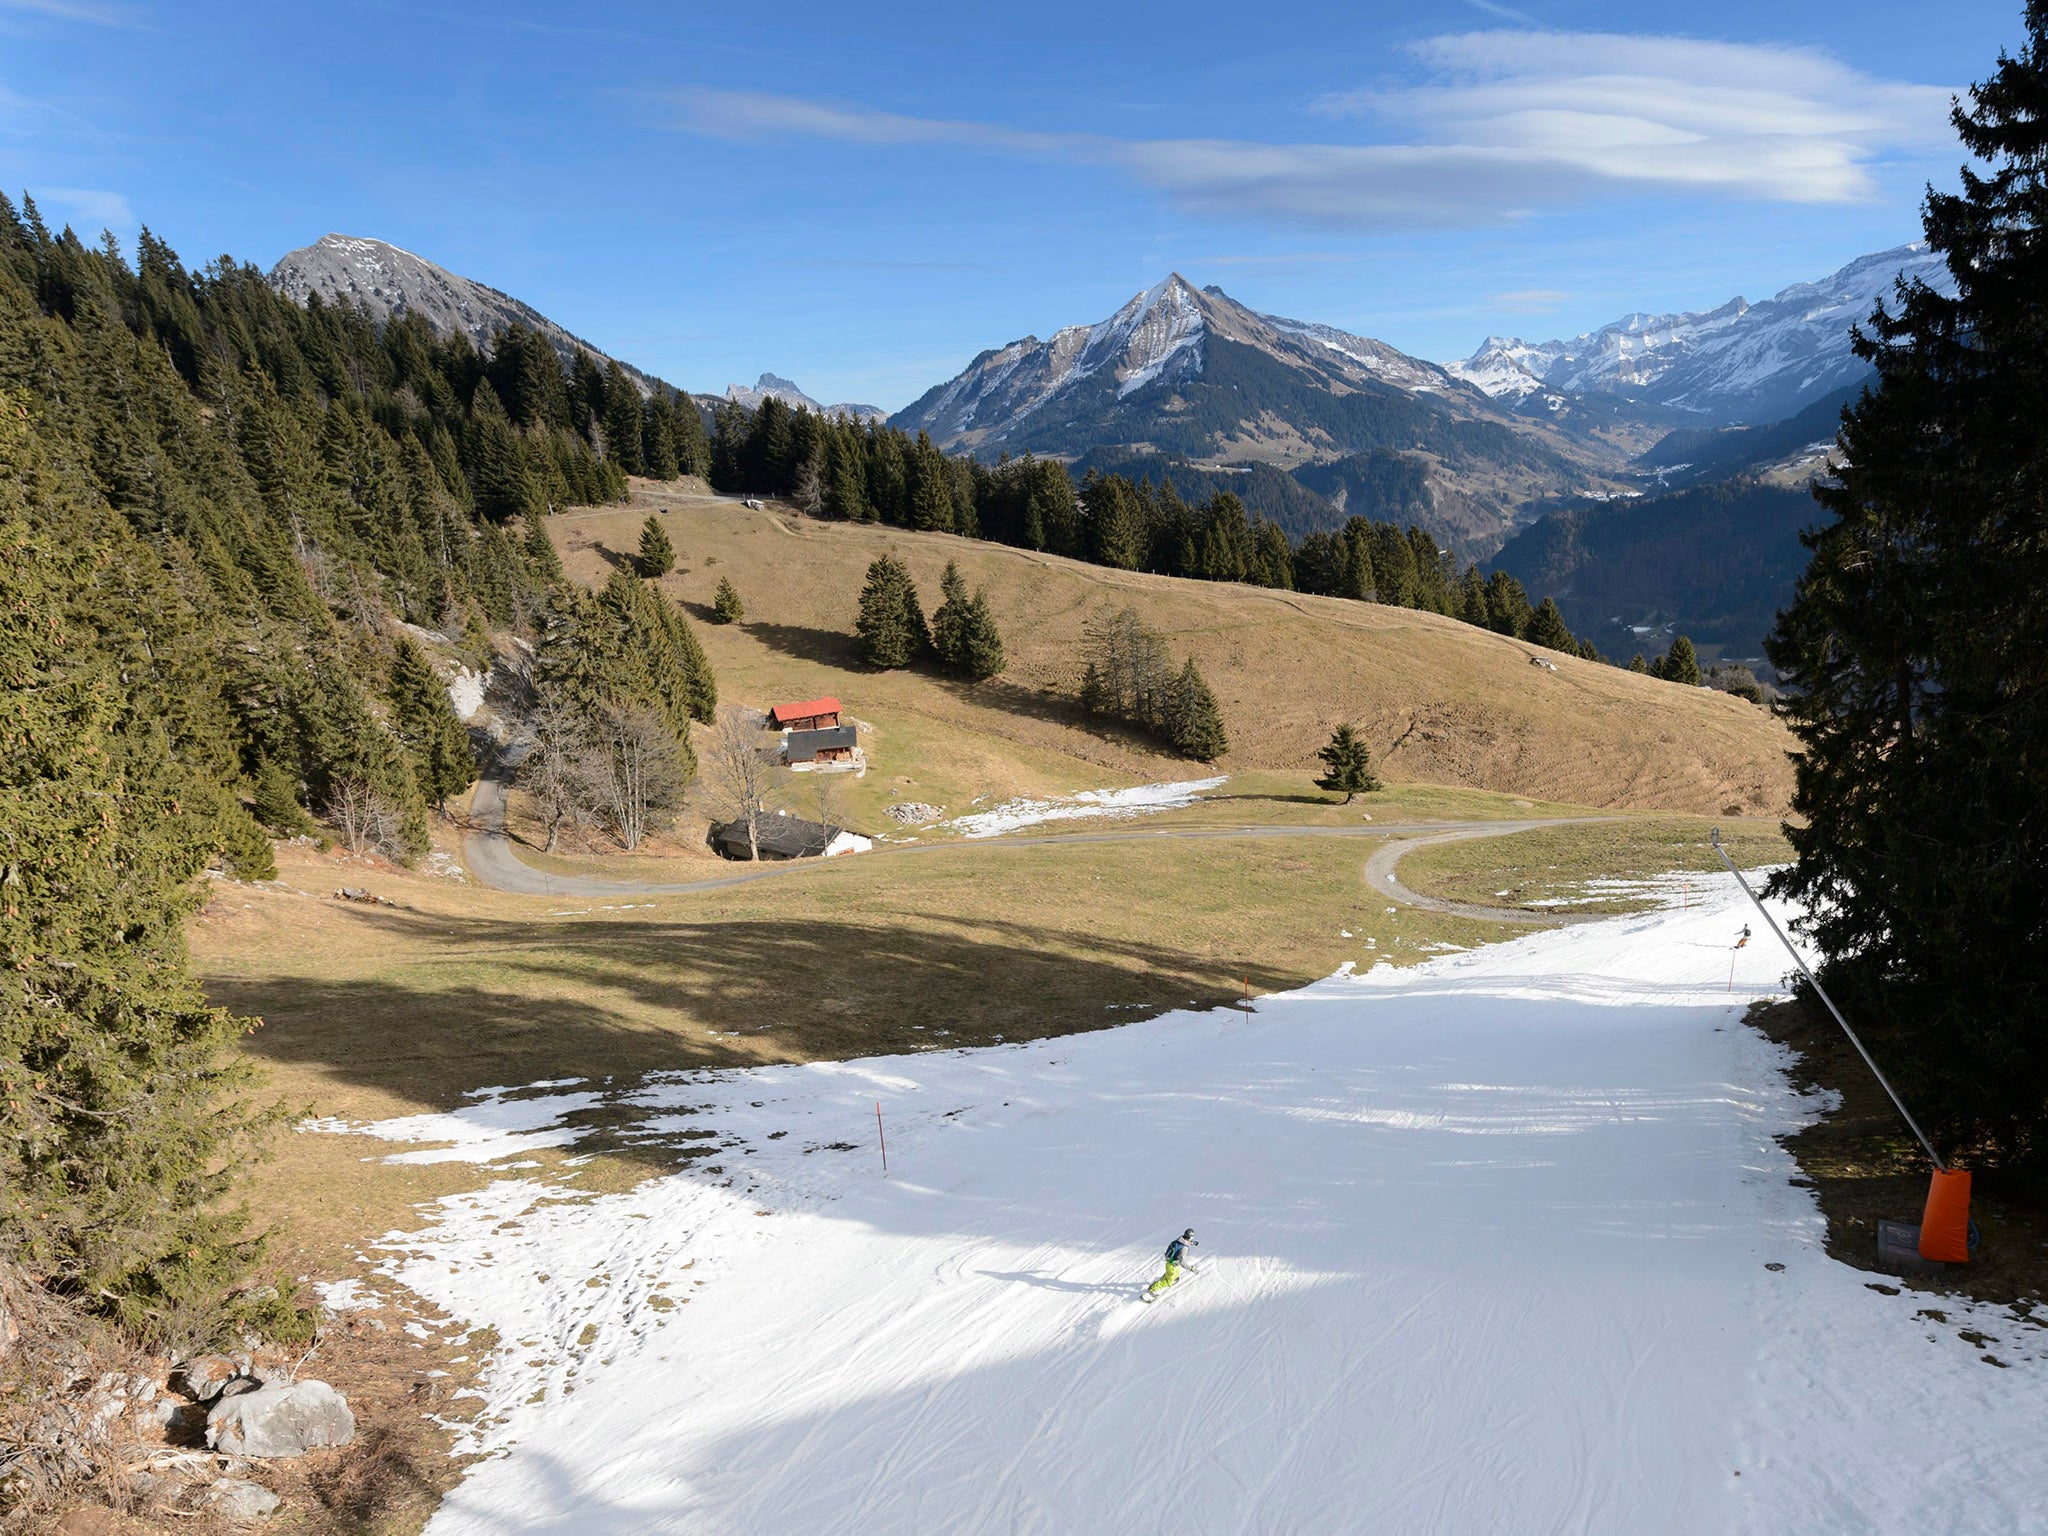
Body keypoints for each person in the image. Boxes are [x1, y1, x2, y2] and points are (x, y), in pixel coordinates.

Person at [1145, 1228, 1199, 1298]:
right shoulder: (1184, 1248)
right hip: (1172, 1265)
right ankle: (1152, 1289)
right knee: (1168, 1282)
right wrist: (1191, 1268)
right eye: (1192, 1238)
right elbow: (1182, 1262)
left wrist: (1192, 1243)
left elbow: (1182, 1244)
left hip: (1172, 1263)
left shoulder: (1179, 1240)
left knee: (1176, 1274)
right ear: (1190, 1237)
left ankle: (1170, 1278)